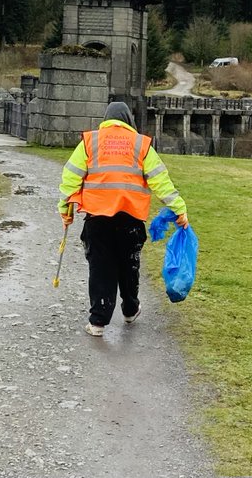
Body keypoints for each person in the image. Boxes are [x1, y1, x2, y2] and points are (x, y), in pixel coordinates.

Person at [58, 101, 189, 337]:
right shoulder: (141, 144)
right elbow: (160, 180)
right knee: (129, 265)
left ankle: (98, 321)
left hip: (97, 218)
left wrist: (65, 208)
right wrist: (179, 209)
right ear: (129, 119)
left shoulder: (90, 142)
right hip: (130, 218)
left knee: (100, 268)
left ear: (106, 119)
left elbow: (71, 178)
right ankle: (130, 310)